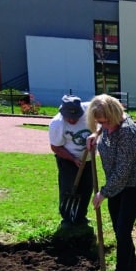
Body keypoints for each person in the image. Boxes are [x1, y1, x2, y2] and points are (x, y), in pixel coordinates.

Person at [85, 94, 136, 271]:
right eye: (99, 122)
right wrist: (96, 134)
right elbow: (104, 128)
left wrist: (103, 193)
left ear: (114, 115)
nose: (103, 125)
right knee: (120, 230)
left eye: (105, 121)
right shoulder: (108, 125)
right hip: (116, 187)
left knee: (122, 231)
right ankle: (131, 265)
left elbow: (122, 171)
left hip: (133, 187)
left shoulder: (128, 133)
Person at [49, 94, 93, 228]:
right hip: (67, 159)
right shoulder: (57, 124)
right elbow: (55, 147)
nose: (73, 120)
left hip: (88, 159)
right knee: (68, 188)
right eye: (69, 118)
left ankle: (80, 216)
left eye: (76, 117)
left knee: (86, 187)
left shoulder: (89, 110)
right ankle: (67, 218)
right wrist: (73, 159)